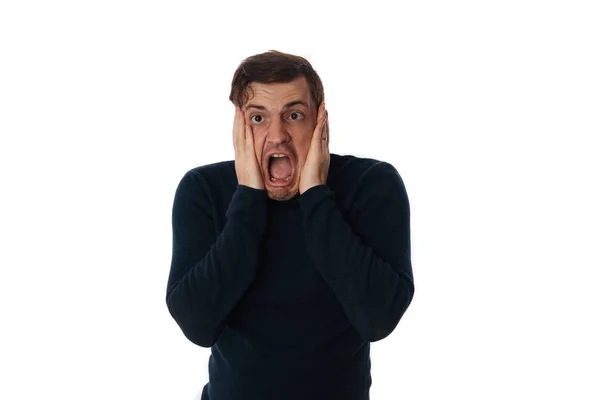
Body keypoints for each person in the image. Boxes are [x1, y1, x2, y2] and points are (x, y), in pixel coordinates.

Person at [165, 50, 415, 400]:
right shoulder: (203, 190)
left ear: (319, 121)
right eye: (258, 118)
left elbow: (376, 318)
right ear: (238, 125)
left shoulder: (372, 185)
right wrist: (248, 197)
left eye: (294, 115)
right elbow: (197, 325)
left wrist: (315, 194)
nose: (278, 135)